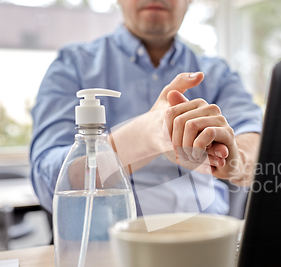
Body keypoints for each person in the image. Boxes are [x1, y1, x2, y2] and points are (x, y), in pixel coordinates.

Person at [30, 0, 262, 217]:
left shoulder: (218, 74)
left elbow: (256, 139)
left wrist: (236, 161)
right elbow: (48, 181)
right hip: (108, 249)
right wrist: (144, 136)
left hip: (212, 243)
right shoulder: (73, 65)